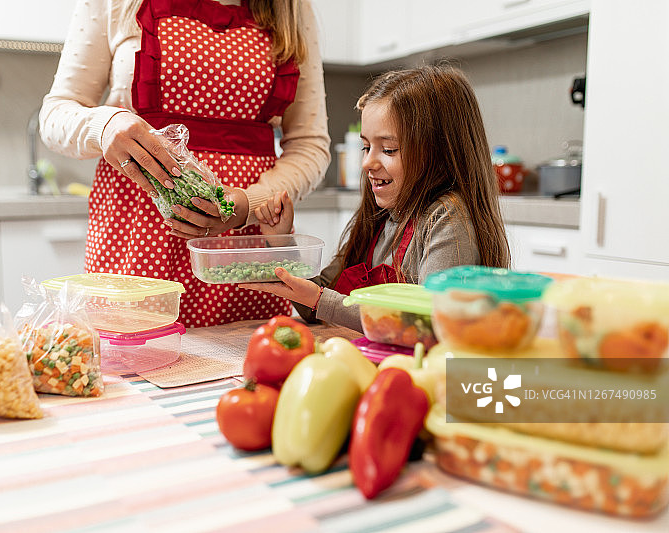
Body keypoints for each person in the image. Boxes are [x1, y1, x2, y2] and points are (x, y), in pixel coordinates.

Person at [39, 0, 330, 327]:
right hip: (135, 236)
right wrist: (104, 126)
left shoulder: (290, 7)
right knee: (132, 361)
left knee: (249, 367)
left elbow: (310, 144)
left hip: (243, 241)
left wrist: (248, 204)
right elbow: (55, 114)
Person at [242, 64, 510, 332]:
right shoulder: (380, 216)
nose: (367, 163)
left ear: (439, 152)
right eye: (366, 146)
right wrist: (280, 241)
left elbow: (432, 324)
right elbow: (315, 304)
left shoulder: (446, 219)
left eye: (389, 149)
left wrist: (321, 300)